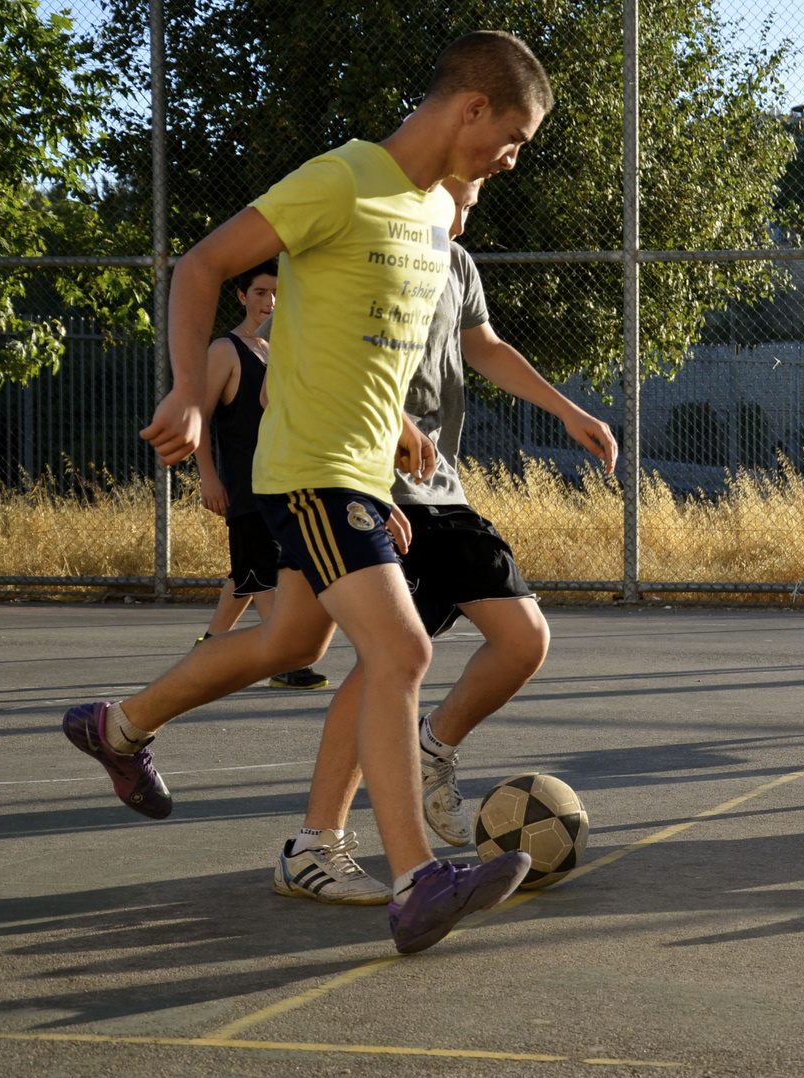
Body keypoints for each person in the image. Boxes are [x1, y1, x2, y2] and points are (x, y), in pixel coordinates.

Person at [63, 31, 555, 954]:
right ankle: (417, 878)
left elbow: (353, 346)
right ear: (473, 108)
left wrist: (398, 451)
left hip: (360, 474)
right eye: (514, 139)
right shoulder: (339, 181)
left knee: (289, 639)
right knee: (399, 651)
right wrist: (186, 396)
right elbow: (201, 264)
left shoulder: (424, 216)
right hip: (307, 472)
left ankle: (117, 727)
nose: (509, 160)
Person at [271, 175, 617, 901]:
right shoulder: (370, 250)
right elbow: (307, 367)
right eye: (462, 194)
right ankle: (317, 841)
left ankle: (432, 748)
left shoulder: (456, 264)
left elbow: (484, 346)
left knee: (522, 638)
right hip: (369, 481)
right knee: (379, 663)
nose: (468, 210)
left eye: (478, 197)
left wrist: (565, 408)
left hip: (441, 488)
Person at [192, 259, 328, 690]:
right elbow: (199, 415)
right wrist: (208, 478)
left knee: (247, 570)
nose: (270, 302)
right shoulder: (225, 350)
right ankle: (283, 659)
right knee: (262, 569)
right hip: (246, 484)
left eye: (277, 294)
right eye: (260, 293)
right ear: (242, 297)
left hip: (284, 477)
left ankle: (210, 646)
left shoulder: (283, 348)